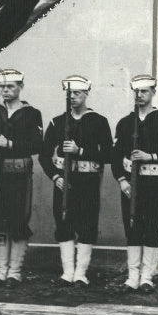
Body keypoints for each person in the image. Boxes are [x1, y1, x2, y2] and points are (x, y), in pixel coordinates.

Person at [112, 75, 158, 292]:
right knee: (132, 227)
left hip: (152, 182)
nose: (140, 95)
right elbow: (115, 155)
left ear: (153, 92)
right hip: (130, 184)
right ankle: (132, 277)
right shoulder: (125, 123)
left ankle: (147, 277)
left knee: (151, 228)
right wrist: (121, 180)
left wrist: (151, 156)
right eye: (136, 92)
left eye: (144, 91)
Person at [39, 75, 113, 287]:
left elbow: (109, 153)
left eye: (77, 93)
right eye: (69, 93)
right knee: (63, 223)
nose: (72, 97)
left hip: (88, 180)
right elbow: (44, 155)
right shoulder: (58, 122)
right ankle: (67, 272)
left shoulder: (99, 121)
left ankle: (81, 273)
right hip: (64, 181)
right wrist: (55, 176)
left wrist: (80, 151)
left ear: (86, 94)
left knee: (87, 223)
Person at [0, 68, 44, 288]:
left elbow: (37, 145)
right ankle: (1, 271)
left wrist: (10, 145)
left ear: (20, 87)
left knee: (17, 221)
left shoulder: (31, 113)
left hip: (19, 175)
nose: (6, 90)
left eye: (11, 86)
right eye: (3, 86)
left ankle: (14, 272)